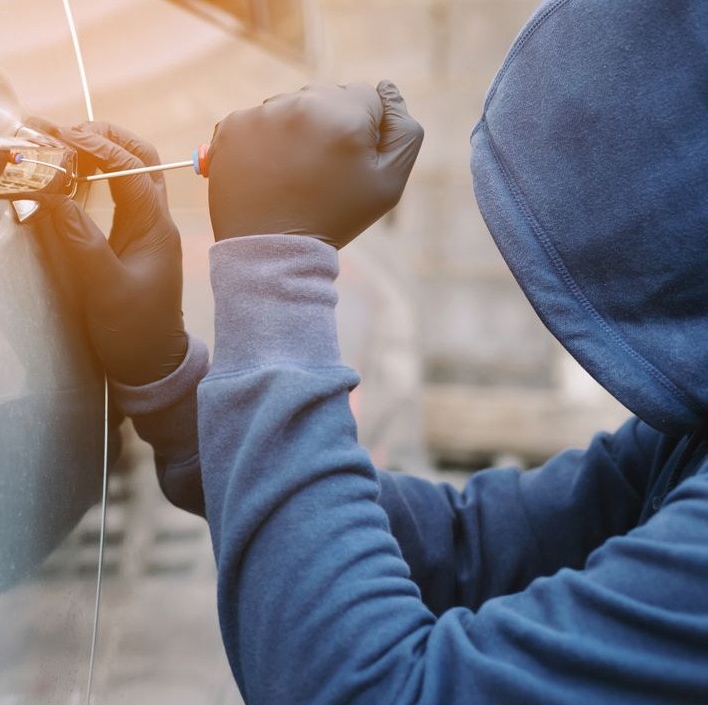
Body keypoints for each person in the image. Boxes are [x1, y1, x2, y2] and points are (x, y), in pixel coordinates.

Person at [51, 1, 708, 702]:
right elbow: (467, 551)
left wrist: (275, 261)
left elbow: (369, 689)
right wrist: (171, 384)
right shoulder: (685, 447)